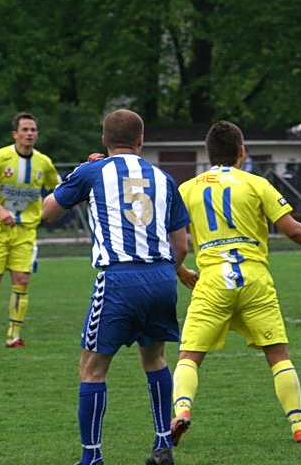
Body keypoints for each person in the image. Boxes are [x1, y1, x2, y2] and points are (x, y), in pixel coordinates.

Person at [169, 121, 301, 448]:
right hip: (254, 279)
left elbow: (174, 241)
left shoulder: (187, 188)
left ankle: (181, 412)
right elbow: (292, 229)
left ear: (208, 154)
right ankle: (300, 427)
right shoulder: (256, 183)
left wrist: (181, 271)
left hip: (212, 279)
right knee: (277, 354)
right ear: (241, 152)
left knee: (189, 357)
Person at [41, 109, 198, 465]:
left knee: (92, 369)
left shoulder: (92, 171)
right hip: (161, 277)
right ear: (141, 140)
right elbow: (182, 246)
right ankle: (162, 443)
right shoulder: (163, 176)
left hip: (119, 278)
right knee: (155, 359)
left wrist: (74, 177)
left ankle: (92, 457)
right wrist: (169, 272)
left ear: (103, 140)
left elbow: (49, 211)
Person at [0, 112, 61, 349]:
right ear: (15, 134)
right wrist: (0, 210)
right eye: (25, 130)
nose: (30, 134)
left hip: (26, 230)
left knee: (21, 281)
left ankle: (14, 336)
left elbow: (59, 189)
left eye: (33, 130)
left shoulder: (43, 162)